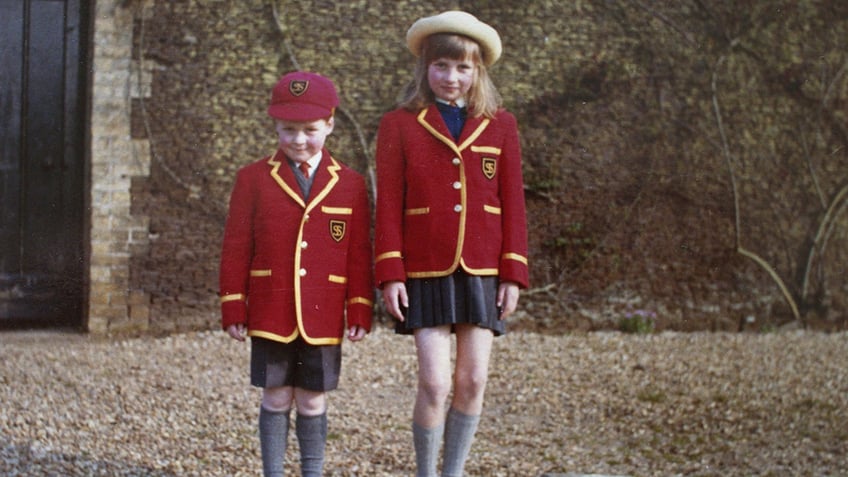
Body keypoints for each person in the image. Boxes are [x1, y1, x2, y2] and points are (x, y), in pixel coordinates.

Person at [374, 11, 529, 477]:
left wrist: (514, 273)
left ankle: (453, 471)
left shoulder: (501, 125)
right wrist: (390, 274)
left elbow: (513, 204)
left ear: (478, 71)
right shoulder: (399, 125)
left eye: (463, 68)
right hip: (424, 267)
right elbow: (388, 206)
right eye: (441, 66)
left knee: (473, 379)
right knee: (436, 382)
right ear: (425, 67)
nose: (451, 77)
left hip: (482, 267)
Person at [219, 71, 373, 477]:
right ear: (275, 126)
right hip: (271, 308)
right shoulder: (251, 179)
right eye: (288, 130)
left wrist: (359, 308)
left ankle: (312, 472)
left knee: (312, 400)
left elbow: (358, 253)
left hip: (323, 312)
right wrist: (233, 304)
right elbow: (236, 247)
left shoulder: (352, 185)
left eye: (309, 130)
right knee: (274, 395)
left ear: (330, 125)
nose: (299, 140)